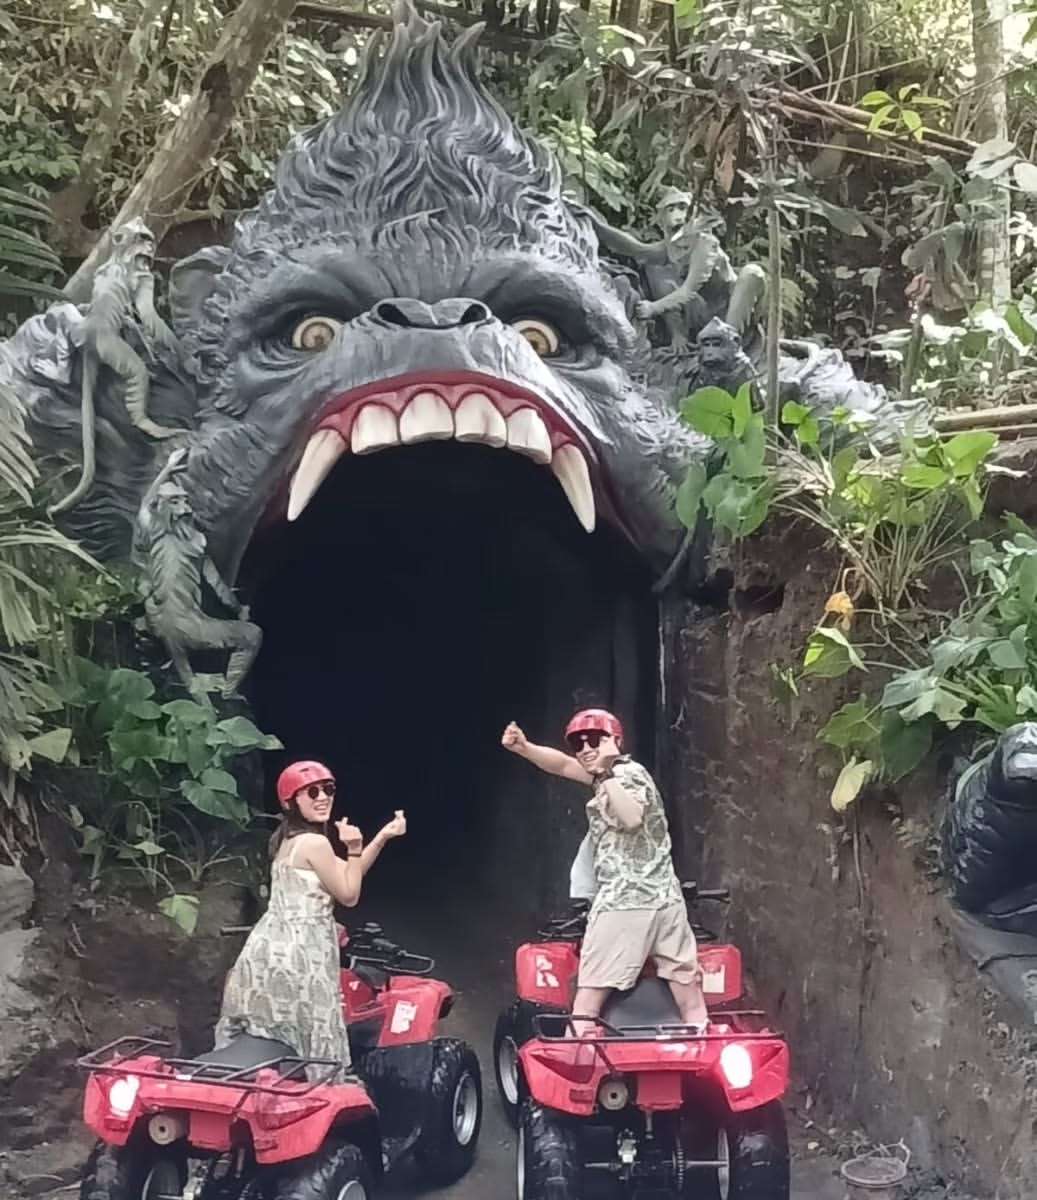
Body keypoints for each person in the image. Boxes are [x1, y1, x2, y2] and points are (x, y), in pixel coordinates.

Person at [502, 710, 708, 1033]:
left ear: (615, 742)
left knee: (587, 1003)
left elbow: (631, 817)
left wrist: (608, 774)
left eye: (594, 740)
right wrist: (525, 748)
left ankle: (578, 1074)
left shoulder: (626, 775)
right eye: (578, 742)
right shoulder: (608, 776)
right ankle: (701, 1061)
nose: (584, 748)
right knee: (689, 998)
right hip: (667, 902)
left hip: (624, 904)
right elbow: (562, 765)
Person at [214, 760, 407, 1072]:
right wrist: (354, 847)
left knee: (277, 1031)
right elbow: (349, 893)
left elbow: (344, 874)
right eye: (311, 792)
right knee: (315, 1035)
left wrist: (381, 837)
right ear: (291, 802)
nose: (322, 797)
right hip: (303, 952)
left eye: (328, 789)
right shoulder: (315, 843)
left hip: (268, 949)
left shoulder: (287, 841)